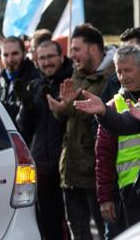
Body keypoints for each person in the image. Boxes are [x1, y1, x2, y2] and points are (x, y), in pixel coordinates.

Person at [47, 23, 114, 239]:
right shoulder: (75, 75)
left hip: (95, 171)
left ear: (93, 49)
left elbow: (93, 112)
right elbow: (66, 115)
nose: (72, 55)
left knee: (105, 232)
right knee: (78, 233)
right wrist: (59, 108)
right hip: (71, 170)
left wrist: (67, 105)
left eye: (76, 49)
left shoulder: (110, 78)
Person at [16, 40, 72, 240]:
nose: (47, 62)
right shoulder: (34, 86)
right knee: (48, 227)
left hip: (69, 168)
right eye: (42, 58)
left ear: (61, 57)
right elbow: (23, 130)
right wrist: (28, 107)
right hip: (42, 169)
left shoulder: (71, 83)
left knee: (75, 226)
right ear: (36, 61)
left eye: (51, 57)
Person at [94, 45, 140, 239]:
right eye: (118, 71)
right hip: (129, 191)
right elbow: (103, 156)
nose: (123, 76)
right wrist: (105, 198)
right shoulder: (113, 106)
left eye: (127, 70)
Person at [0, 36, 40, 121]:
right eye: (5, 55)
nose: (10, 59)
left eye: (15, 53)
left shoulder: (35, 78)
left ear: (24, 53)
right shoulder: (2, 80)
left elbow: (28, 116)